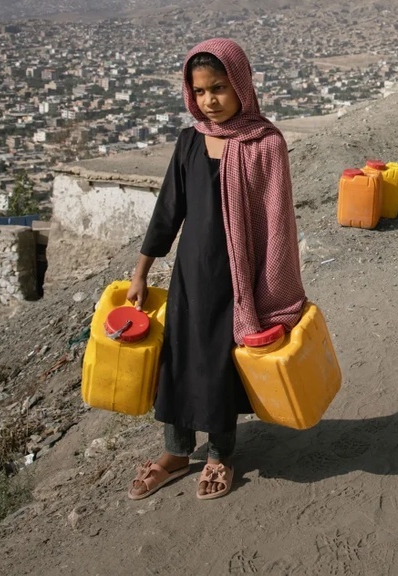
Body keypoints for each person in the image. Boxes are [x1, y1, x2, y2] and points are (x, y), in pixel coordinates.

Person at [125, 38, 306, 501]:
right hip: (191, 277)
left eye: (219, 88)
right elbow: (168, 212)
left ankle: (221, 454)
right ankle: (176, 452)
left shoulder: (265, 144)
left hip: (239, 281)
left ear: (240, 85)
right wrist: (141, 272)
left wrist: (272, 290)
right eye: (200, 91)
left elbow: (277, 223)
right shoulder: (190, 140)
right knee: (180, 362)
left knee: (221, 366)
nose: (210, 100)